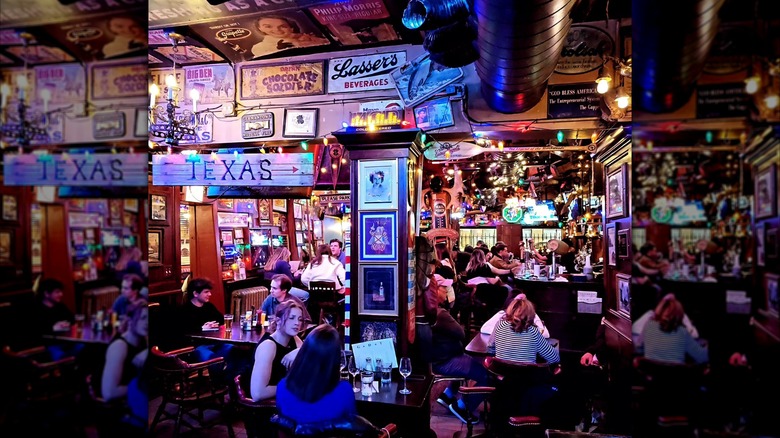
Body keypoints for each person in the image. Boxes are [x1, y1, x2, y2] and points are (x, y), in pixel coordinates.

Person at [430, 278, 490, 425]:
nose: (447, 291)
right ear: (435, 291)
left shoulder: (430, 312)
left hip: (438, 358)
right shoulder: (440, 314)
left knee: (469, 359)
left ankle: (448, 395)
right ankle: (462, 406)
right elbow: (461, 333)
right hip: (445, 361)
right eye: (444, 288)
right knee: (487, 375)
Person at [276, 324, 356, 423]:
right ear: (334, 358)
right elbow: (352, 425)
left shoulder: (283, 387)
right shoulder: (344, 391)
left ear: (303, 352)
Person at [101, 299, 148, 431]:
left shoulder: (143, 342)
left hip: (134, 403)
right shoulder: (120, 346)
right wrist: (139, 388)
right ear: (131, 320)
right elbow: (109, 393)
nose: (147, 322)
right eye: (143, 318)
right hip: (120, 412)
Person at [250, 300, 305, 401]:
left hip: (284, 398)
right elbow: (258, 393)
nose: (297, 323)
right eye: (291, 318)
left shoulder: (295, 339)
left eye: (300, 319)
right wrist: (292, 387)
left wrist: (299, 352)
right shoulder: (268, 346)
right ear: (278, 321)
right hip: (266, 405)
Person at [641, 293, 708, 364]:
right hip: (675, 371)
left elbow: (639, 348)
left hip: (650, 370)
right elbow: (702, 357)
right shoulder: (682, 332)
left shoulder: (649, 325)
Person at [490, 296, 559, 364]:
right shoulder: (533, 332)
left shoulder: (500, 325)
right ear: (531, 313)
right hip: (526, 371)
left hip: (501, 369)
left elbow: (490, 348)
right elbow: (554, 358)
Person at [251, 15, 329, 59]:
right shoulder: (259, 47)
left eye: (283, 26)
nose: (277, 30)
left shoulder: (309, 38)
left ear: (291, 28)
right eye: (268, 26)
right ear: (260, 28)